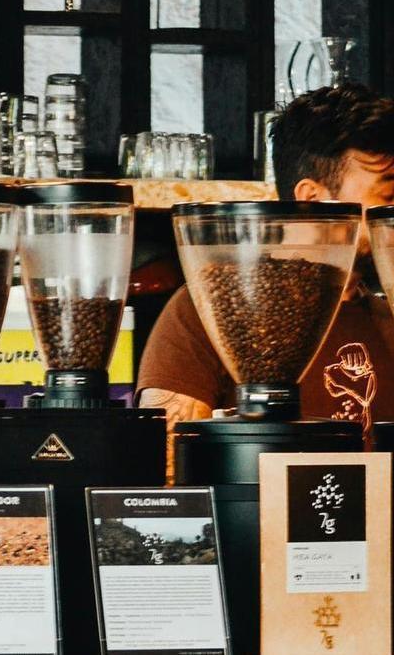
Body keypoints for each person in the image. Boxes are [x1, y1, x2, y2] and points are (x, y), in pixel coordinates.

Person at [137, 83, 394, 477]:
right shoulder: (210, 309)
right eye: (388, 197)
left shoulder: (383, 314)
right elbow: (167, 470)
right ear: (313, 198)